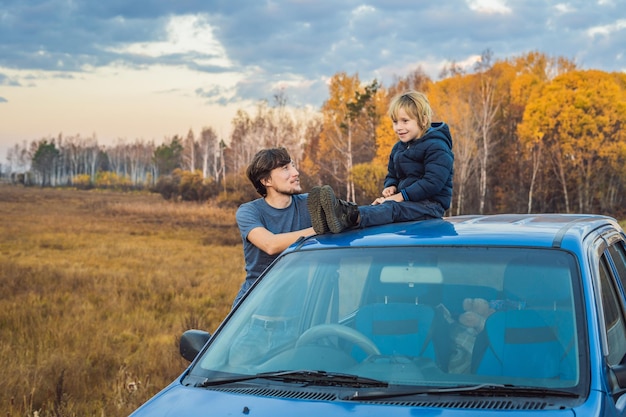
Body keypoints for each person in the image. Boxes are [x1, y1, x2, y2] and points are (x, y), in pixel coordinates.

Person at [308, 90, 454, 233]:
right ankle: (334, 218)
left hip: (430, 206)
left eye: (405, 121)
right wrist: (391, 186)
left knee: (391, 209)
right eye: (395, 122)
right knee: (378, 206)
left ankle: (348, 216)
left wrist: (400, 197)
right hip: (408, 202)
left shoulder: (437, 146)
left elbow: (432, 183)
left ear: (422, 120)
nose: (399, 127)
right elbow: (393, 174)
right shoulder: (398, 148)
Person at [233, 147, 315, 306]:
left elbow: (351, 215)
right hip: (252, 313)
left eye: (293, 166)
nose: (296, 172)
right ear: (266, 181)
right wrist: (319, 229)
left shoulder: (309, 203)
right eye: (285, 168)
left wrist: (376, 208)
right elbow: (270, 244)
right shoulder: (249, 211)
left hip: (297, 315)